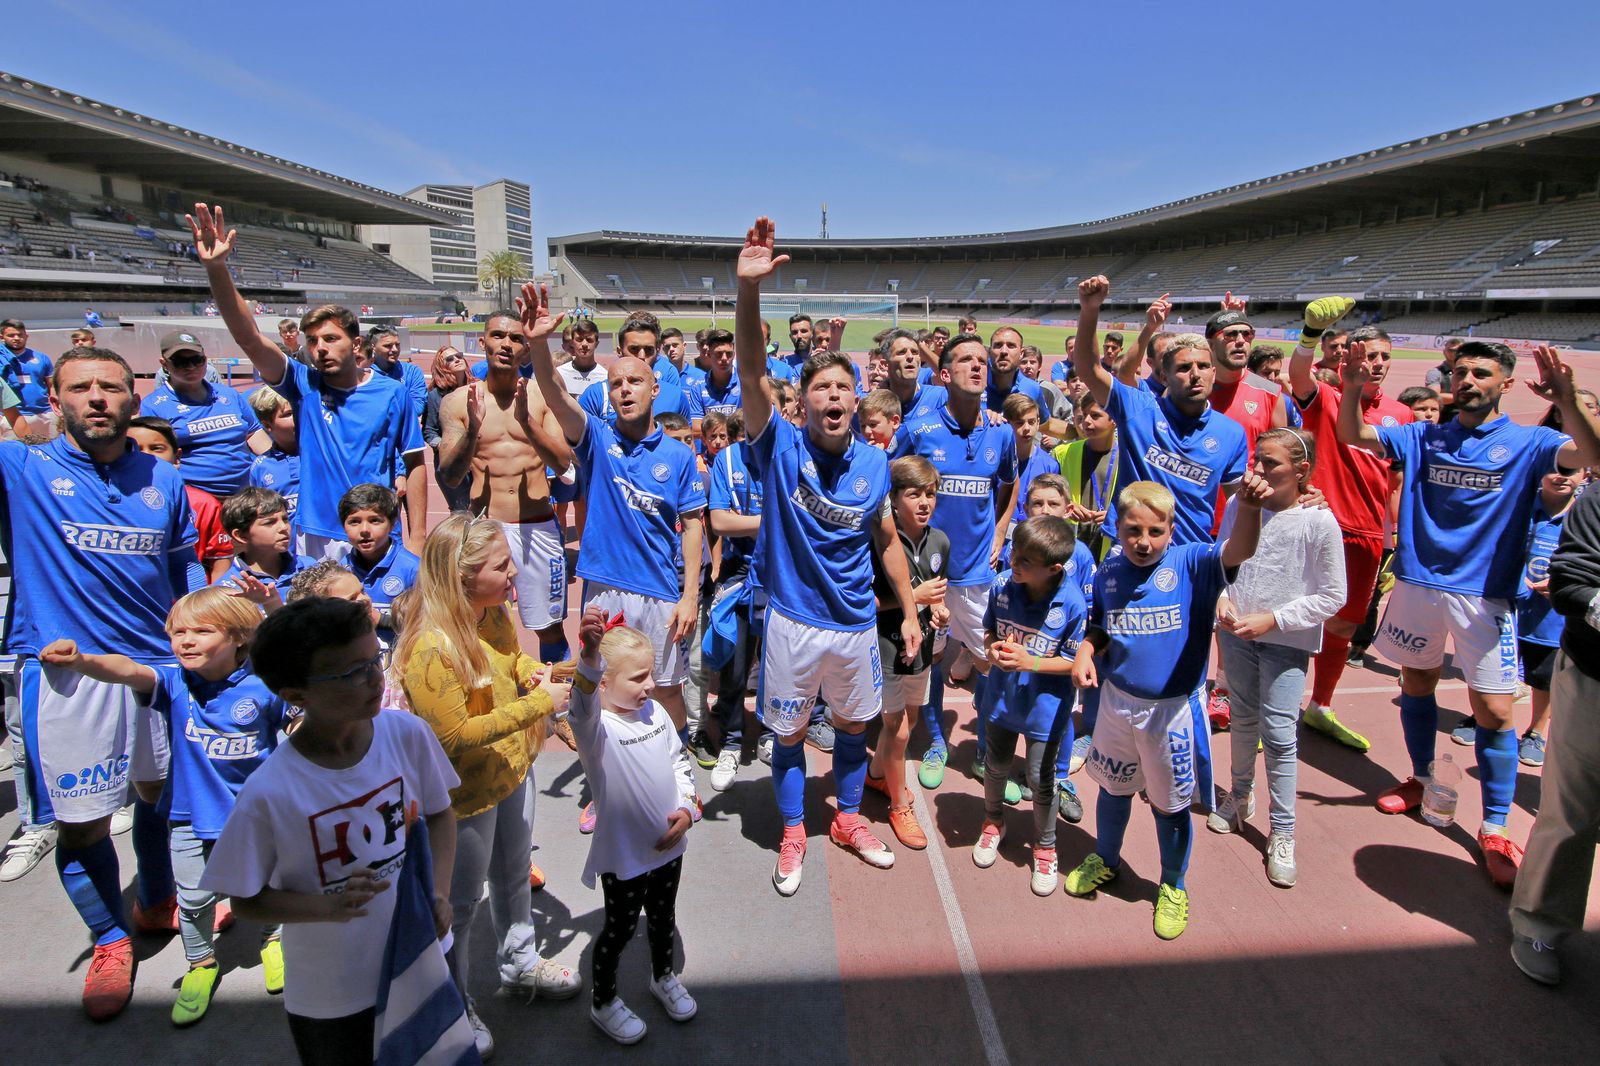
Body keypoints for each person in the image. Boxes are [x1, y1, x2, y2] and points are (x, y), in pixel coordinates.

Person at [1337, 341, 1600, 888]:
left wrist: (1568, 397)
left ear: (1505, 383)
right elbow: (1352, 435)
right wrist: (1356, 388)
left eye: (1480, 373)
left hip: (1485, 596)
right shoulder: (1424, 432)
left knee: (1496, 713)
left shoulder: (1531, 442)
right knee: (1417, 683)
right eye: (1460, 372)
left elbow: (1592, 455)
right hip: (1417, 585)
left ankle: (1496, 825)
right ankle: (1421, 779)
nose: (1467, 381)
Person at [1, 347, 201, 1019]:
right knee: (82, 825)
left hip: (153, 671)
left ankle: (151, 902)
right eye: (79, 387)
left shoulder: (164, 479)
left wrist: (202, 628)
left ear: (132, 401)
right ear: (52, 398)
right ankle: (110, 938)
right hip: (64, 677)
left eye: (110, 387)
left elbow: (183, 573)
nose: (96, 398)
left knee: (157, 796)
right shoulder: (23, 466)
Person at [736, 217, 921, 895]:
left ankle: (846, 818)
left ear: (856, 398)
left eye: (844, 388)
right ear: (804, 403)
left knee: (850, 727)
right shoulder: (778, 447)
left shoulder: (877, 462)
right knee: (787, 739)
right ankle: (792, 831)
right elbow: (753, 371)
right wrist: (748, 291)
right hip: (792, 620)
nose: (834, 397)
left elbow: (887, 541)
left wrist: (907, 611)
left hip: (853, 626)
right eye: (821, 389)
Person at [198, 598, 460, 1064]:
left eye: (374, 659)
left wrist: (438, 892)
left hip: (422, 957)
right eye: (350, 673)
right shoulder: (270, 792)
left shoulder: (407, 734)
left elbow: (440, 814)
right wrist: (326, 906)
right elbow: (246, 899)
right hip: (334, 996)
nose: (375, 677)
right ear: (296, 695)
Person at [40, 588, 289, 1026]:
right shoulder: (173, 682)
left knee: (267, 886)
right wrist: (82, 662)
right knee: (193, 901)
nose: (185, 641)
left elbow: (302, 724)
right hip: (190, 817)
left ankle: (274, 940)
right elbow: (128, 669)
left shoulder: (265, 684)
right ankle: (200, 966)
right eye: (177, 632)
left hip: (257, 817)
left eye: (201, 631)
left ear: (237, 637)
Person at [396, 515, 577, 1057]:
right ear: (462, 575)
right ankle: (453, 1001)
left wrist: (533, 675)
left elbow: (510, 658)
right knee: (461, 904)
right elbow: (452, 736)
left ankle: (519, 964)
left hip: (513, 772)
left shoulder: (492, 611)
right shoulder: (430, 646)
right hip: (463, 799)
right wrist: (538, 705)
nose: (513, 571)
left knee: (513, 878)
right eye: (501, 565)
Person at [1066, 476, 1267, 939]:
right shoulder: (1110, 572)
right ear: (1116, 527)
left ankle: (1173, 886)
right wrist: (1084, 651)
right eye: (1133, 530)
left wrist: (1251, 508)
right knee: (1112, 791)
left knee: (1170, 807)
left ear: (1171, 530)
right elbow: (1101, 628)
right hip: (1118, 704)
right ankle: (1108, 859)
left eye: (1155, 531)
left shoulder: (1193, 562)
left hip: (1171, 711)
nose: (1143, 541)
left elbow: (1239, 549)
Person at [188, 204, 426, 558]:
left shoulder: (392, 392)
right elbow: (250, 338)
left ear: (356, 344)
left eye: (330, 339)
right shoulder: (303, 383)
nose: (320, 349)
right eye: (312, 341)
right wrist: (217, 268)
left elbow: (415, 461)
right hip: (316, 533)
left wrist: (417, 536)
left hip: (375, 528)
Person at [527, 289, 703, 747]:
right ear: (608, 393)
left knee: (665, 690)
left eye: (635, 382)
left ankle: (674, 771)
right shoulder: (596, 440)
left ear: (655, 388)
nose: (625, 389)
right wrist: (538, 344)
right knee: (606, 688)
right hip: (605, 588)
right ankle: (607, 784)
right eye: (617, 383)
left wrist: (689, 596)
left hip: (661, 592)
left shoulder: (678, 456)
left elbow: (693, 526)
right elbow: (553, 393)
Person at [1209, 429, 1345, 888]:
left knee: (1280, 733)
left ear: (1301, 471)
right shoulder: (1241, 506)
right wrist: (1222, 599)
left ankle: (1283, 831)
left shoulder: (1318, 521)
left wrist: (1276, 618)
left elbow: (1333, 595)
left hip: (1285, 640)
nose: (1259, 472)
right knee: (1242, 718)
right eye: (1257, 461)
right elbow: (1224, 559)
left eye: (1271, 464)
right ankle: (1240, 796)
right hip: (1236, 633)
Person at [892, 332, 1018, 795]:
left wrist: (1001, 531)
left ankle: (985, 750)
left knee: (989, 662)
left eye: (982, 360)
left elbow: (1009, 484)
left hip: (979, 574)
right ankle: (937, 744)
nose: (978, 366)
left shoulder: (1002, 431)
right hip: (930, 577)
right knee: (932, 660)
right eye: (966, 360)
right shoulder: (920, 427)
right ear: (944, 374)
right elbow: (893, 480)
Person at [569, 604, 699, 1044]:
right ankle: (603, 1002)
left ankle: (662, 977)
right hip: (625, 857)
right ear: (605, 682)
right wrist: (588, 657)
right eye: (638, 678)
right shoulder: (595, 728)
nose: (650, 685)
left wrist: (686, 810)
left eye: (650, 675)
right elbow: (580, 704)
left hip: (670, 847)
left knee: (663, 918)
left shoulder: (656, 714)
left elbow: (679, 763)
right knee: (620, 929)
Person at [1286, 308, 1413, 752]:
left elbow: (1397, 482)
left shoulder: (1401, 415)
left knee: (1341, 627)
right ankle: (1273, 706)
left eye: (1383, 356)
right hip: (1317, 525)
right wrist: (1310, 333)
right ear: (1347, 360)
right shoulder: (1327, 398)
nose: (1376, 362)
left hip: (1366, 536)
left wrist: (1395, 537)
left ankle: (1320, 706)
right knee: (1290, 620)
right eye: (1368, 354)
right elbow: (1298, 372)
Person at [437, 311, 576, 663]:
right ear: (482, 342)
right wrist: (472, 431)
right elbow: (450, 475)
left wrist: (527, 423)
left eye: (516, 339)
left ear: (526, 350)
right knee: (476, 621)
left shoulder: (541, 396)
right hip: (486, 530)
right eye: (498, 336)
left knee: (550, 627)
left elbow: (562, 463)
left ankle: (557, 707)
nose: (506, 344)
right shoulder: (457, 402)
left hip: (537, 526)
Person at [972, 516, 1095, 896]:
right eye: (1014, 552)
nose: (1014, 562)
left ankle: (1044, 846)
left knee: (1042, 779)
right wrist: (993, 647)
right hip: (1003, 699)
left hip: (1046, 706)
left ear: (1054, 569)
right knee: (996, 765)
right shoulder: (1002, 587)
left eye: (1025, 560)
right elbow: (989, 630)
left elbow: (1075, 663)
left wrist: (1032, 662)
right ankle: (994, 822)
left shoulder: (1072, 604)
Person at [1509, 475, 1600, 986]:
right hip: (1595, 678)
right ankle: (1539, 925)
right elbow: (1571, 581)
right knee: (1573, 811)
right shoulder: (1597, 500)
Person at [863, 456, 949, 849]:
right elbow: (862, 602)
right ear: (893, 500)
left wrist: (939, 612)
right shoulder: (877, 541)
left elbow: (936, 598)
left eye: (930, 494)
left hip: (923, 648)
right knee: (897, 729)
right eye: (913, 494)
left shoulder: (940, 541)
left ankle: (878, 774)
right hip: (885, 648)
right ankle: (899, 805)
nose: (924, 502)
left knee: (909, 720)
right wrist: (911, 599)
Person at [140, 330, 271, 498]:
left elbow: (253, 433)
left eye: (197, 360)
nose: (191, 367)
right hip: (199, 500)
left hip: (246, 494)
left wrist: (275, 464)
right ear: (164, 364)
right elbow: (155, 458)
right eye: (181, 362)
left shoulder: (229, 395)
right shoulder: (154, 406)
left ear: (205, 360)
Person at [127, 416, 235, 582]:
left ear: (177, 457)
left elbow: (220, 562)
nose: (146, 456)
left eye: (156, 448)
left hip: (190, 602)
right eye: (137, 449)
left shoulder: (204, 504)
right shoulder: (113, 499)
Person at [331, 484, 420, 649]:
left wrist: (380, 619)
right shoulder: (340, 570)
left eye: (374, 521)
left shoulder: (414, 570)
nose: (364, 530)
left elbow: (429, 625)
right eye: (354, 522)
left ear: (392, 524)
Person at [216, 487, 312, 609]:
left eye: (285, 519)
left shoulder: (310, 568)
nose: (283, 527)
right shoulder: (230, 590)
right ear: (240, 535)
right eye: (269, 522)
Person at [422, 346, 472, 512]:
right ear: (441, 367)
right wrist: (449, 450)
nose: (457, 359)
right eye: (450, 359)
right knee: (462, 514)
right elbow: (429, 432)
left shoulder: (479, 388)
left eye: (459, 355)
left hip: (481, 463)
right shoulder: (436, 396)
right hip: (452, 465)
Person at [246, 385, 300, 530]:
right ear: (267, 425)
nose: (297, 418)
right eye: (288, 414)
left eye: (298, 410)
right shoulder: (261, 467)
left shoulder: (324, 453)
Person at [0, 317, 55, 427]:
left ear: (26, 336)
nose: (16, 338)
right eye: (11, 335)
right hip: (11, 417)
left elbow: (51, 385)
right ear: (2, 337)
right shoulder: (2, 360)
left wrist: (55, 408)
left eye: (20, 335)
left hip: (45, 414)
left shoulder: (41, 358)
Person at [366, 327, 427, 421]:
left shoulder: (413, 372)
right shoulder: (364, 374)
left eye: (397, 345)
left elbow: (417, 407)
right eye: (388, 346)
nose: (395, 349)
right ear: (373, 347)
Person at [554, 319, 606, 398]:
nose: (584, 344)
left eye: (589, 340)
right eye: (579, 339)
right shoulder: (559, 374)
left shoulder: (604, 377)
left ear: (596, 344)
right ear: (572, 342)